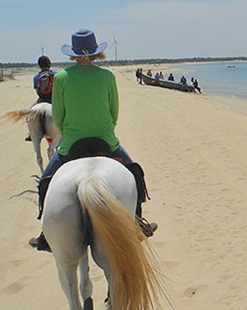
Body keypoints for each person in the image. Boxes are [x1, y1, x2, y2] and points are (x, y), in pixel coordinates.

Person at [29, 29, 155, 252]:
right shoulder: (107, 77)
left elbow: (58, 117)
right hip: (106, 141)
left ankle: (45, 235)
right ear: (97, 53)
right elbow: (114, 112)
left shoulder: (61, 78)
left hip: (70, 144)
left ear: (73, 54)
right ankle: (137, 223)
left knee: (45, 182)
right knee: (135, 175)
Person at [25, 55, 57, 140]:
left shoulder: (36, 77)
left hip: (42, 99)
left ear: (39, 65)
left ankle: (31, 134)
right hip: (55, 99)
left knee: (29, 115)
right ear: (49, 64)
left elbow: (37, 91)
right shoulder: (56, 74)